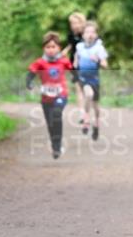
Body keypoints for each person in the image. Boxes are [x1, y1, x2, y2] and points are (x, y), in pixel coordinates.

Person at [26, 31, 73, 159]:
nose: (51, 50)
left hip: (61, 94)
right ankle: (55, 145)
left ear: (58, 47)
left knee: (56, 114)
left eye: (54, 47)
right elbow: (31, 72)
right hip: (46, 98)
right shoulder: (40, 62)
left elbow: (72, 70)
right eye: (48, 47)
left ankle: (57, 147)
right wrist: (29, 82)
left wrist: (76, 78)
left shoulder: (63, 61)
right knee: (51, 123)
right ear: (44, 48)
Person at [75, 20, 108, 140]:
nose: (90, 34)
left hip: (95, 79)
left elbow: (105, 65)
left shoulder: (99, 48)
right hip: (84, 78)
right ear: (83, 35)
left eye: (93, 32)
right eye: (87, 32)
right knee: (88, 94)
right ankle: (86, 118)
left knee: (96, 106)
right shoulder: (79, 47)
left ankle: (96, 124)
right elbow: (76, 60)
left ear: (96, 35)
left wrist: (98, 61)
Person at [62, 11, 87, 123]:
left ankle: (88, 111)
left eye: (77, 23)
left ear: (82, 23)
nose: (74, 26)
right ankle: (82, 114)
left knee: (87, 89)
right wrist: (65, 51)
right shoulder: (71, 35)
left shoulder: (88, 34)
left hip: (87, 64)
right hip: (75, 64)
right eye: (72, 23)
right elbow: (71, 45)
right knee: (78, 88)